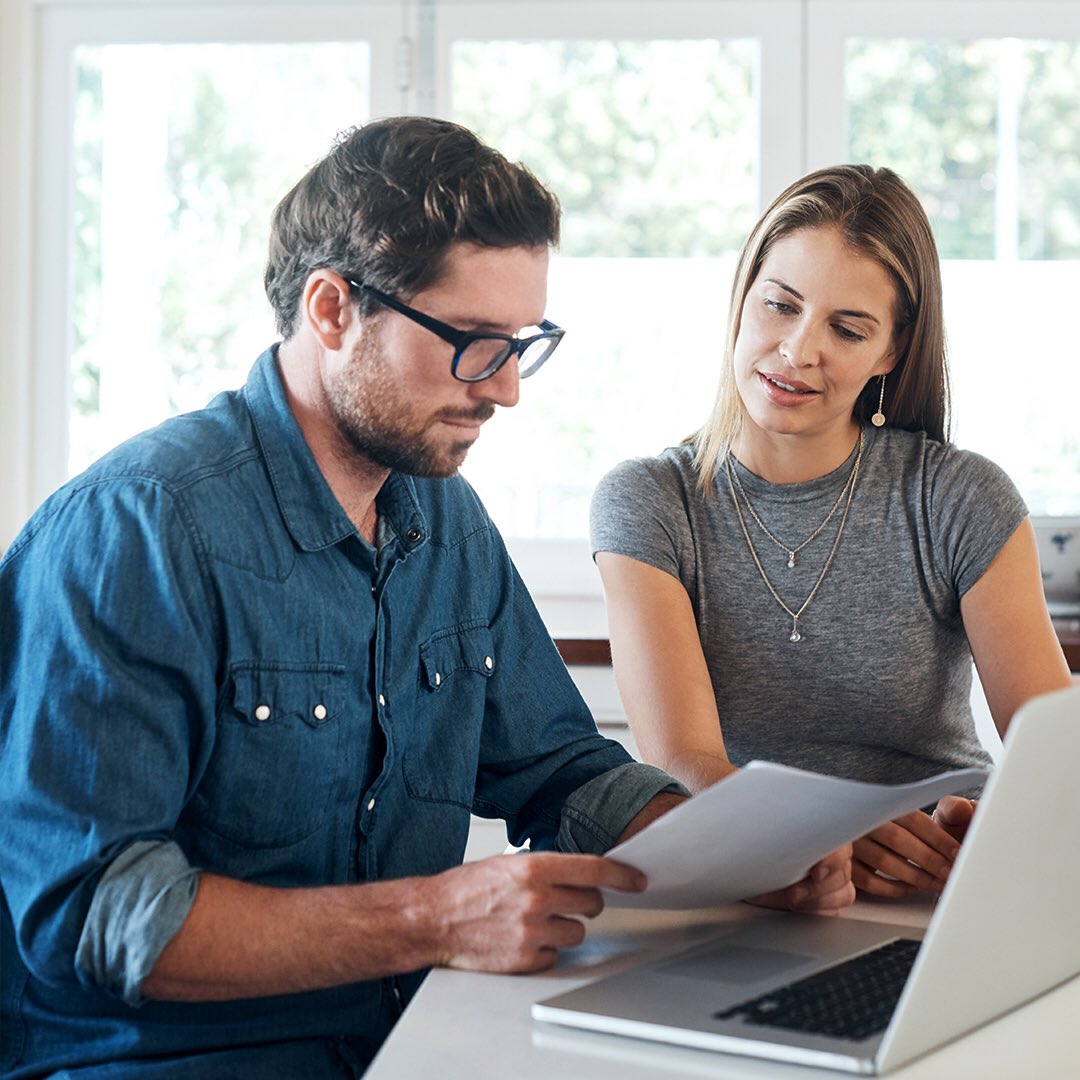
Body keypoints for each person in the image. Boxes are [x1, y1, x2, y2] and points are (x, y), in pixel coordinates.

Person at [0, 118, 852, 1080]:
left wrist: (731, 852)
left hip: (414, 1040)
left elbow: (558, 771)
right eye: (472, 343)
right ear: (331, 310)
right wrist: (434, 918)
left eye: (521, 345)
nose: (506, 391)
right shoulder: (137, 532)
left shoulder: (444, 518)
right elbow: (94, 915)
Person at [591, 164, 1073, 902]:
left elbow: (1053, 759)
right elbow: (684, 764)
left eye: (847, 328)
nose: (798, 350)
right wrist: (826, 838)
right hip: (755, 883)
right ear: (742, 301)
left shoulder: (959, 496)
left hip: (937, 887)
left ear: (892, 352)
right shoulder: (649, 502)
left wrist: (994, 824)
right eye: (780, 306)